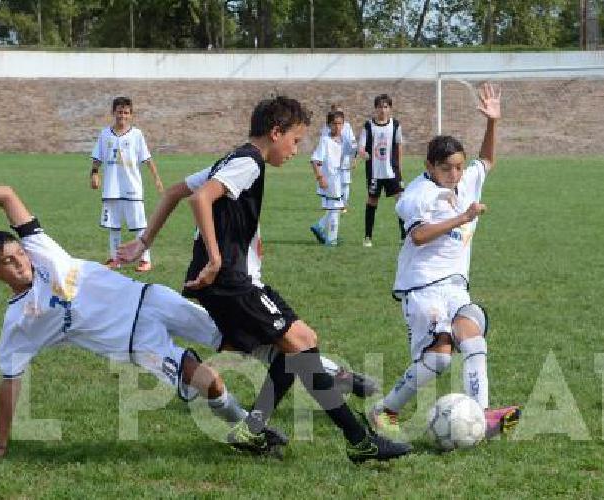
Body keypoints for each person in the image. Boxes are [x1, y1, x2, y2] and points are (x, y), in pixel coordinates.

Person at [117, 96, 411, 463]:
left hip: (227, 281)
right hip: (228, 281)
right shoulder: (250, 163)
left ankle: (253, 429)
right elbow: (200, 200)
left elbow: (178, 191)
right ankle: (359, 442)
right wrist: (215, 256)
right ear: (276, 133)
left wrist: (144, 241)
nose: (295, 150)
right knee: (301, 343)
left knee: (297, 348)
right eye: (295, 140)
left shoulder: (233, 158)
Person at [0, 185, 286, 463]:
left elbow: (7, 194)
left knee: (241, 337)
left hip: (149, 299)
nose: (21, 261)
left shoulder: (42, 252)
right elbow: (9, 383)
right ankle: (247, 432)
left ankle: (322, 371)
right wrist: (0, 445)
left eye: (18, 252)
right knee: (210, 380)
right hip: (136, 345)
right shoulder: (19, 324)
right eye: (8, 261)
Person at [369, 83, 522, 440]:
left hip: (455, 285)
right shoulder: (416, 196)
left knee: (473, 340)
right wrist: (463, 218)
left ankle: (482, 416)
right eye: (447, 168)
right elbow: (418, 236)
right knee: (439, 358)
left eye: (457, 166)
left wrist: (492, 123)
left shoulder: (466, 181)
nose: (455, 174)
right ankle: (385, 409)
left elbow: (486, 161)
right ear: (429, 166)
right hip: (422, 286)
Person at [90, 96, 165, 271]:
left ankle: (145, 260)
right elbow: (97, 157)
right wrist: (94, 173)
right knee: (113, 226)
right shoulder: (104, 134)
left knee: (140, 226)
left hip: (132, 188)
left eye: (126, 112)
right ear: (113, 112)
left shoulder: (137, 134)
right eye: (119, 112)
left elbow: (147, 158)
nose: (122, 115)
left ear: (131, 114)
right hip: (111, 188)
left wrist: (157, 178)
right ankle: (115, 259)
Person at [355, 94, 406, 247]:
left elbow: (399, 146)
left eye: (385, 107)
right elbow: (361, 146)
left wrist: (400, 169)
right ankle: (367, 237)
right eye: (380, 107)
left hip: (392, 172)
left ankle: (404, 236)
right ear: (375, 108)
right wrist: (363, 153)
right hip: (375, 172)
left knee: (401, 201)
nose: (383, 110)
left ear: (390, 109)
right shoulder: (368, 126)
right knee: (372, 201)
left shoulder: (395, 125)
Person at [309, 110, 358, 246]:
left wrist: (358, 157)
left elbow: (354, 152)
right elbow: (315, 161)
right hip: (330, 180)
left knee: (336, 208)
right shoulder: (325, 141)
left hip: (341, 179)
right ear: (329, 125)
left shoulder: (345, 141)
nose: (337, 127)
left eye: (340, 124)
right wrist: (320, 178)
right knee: (335, 210)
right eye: (334, 124)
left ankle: (324, 232)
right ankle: (331, 240)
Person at [318, 104, 357, 211]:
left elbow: (353, 144)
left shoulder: (347, 126)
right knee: (329, 181)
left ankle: (344, 204)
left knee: (345, 182)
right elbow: (323, 142)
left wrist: (354, 158)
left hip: (344, 160)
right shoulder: (326, 127)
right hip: (330, 160)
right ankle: (326, 204)